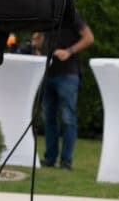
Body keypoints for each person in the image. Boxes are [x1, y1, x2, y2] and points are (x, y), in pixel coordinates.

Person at [35, 11, 95, 169]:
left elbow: (89, 37)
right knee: (49, 118)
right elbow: (41, 42)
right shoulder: (47, 14)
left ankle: (66, 161)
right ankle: (50, 158)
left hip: (67, 74)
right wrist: (38, 43)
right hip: (48, 72)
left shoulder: (71, 15)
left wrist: (69, 51)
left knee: (68, 118)